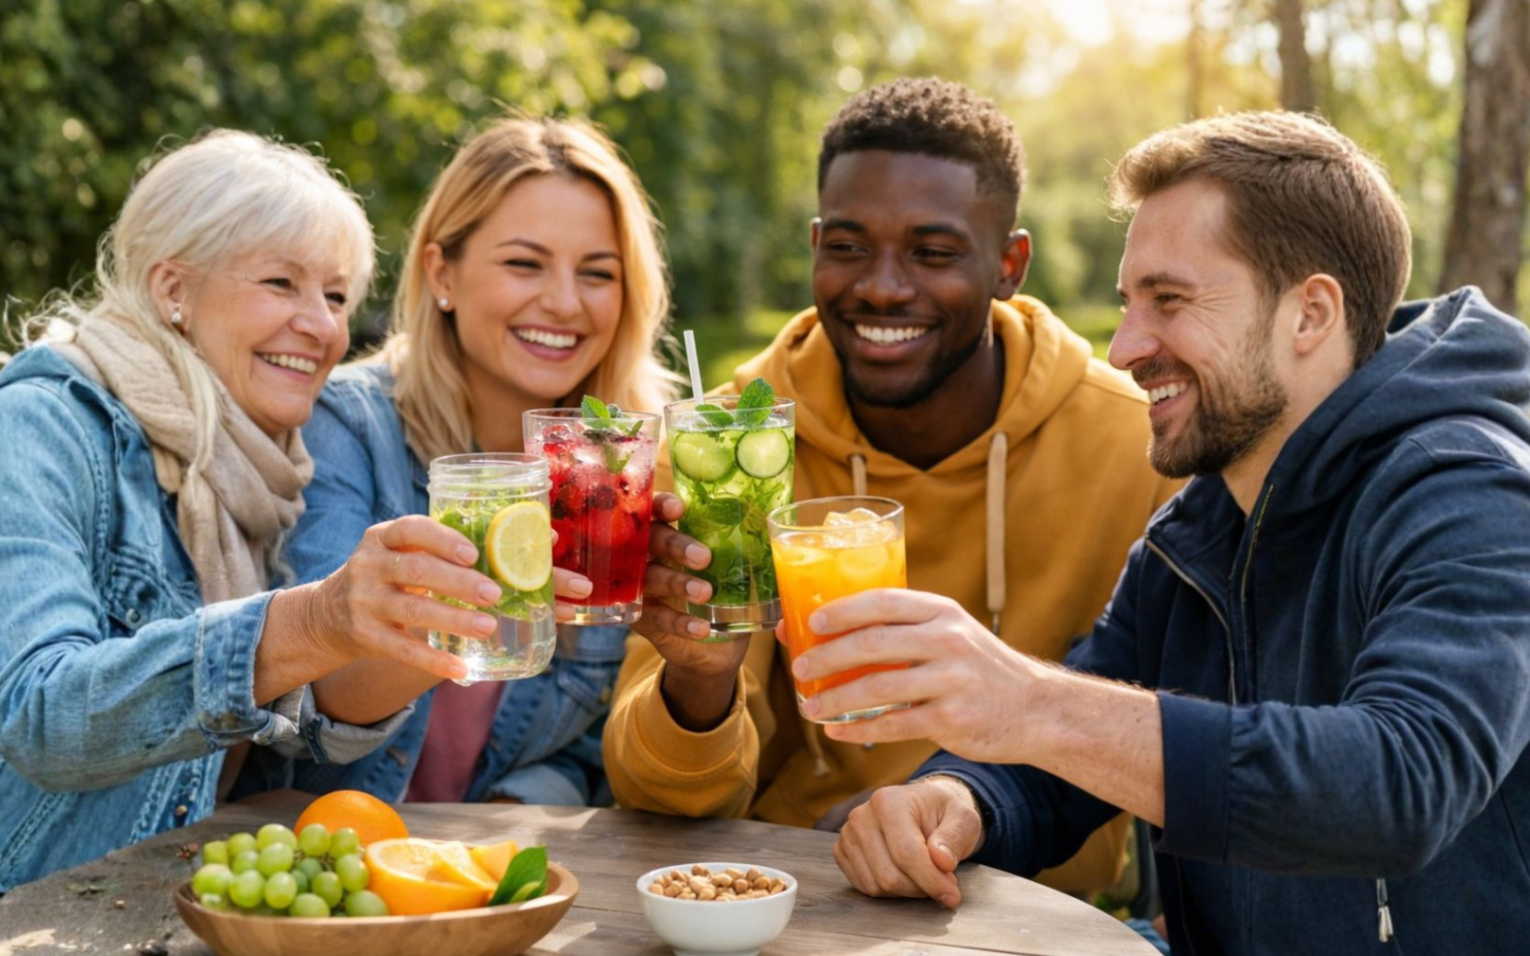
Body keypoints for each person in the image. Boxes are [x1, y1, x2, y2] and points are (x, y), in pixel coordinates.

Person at [816, 111, 1530, 954]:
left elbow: (1399, 782)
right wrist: (955, 801)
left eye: (1170, 301)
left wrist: (1026, 700)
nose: (1122, 348)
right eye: (1128, 304)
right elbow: (1068, 750)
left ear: (1309, 315)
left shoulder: (1470, 492)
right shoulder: (1194, 528)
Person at [603, 78, 1183, 895]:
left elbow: (1180, 734)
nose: (880, 285)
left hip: (1038, 907)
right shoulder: (726, 449)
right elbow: (655, 798)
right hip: (783, 896)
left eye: (932, 252)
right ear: (813, 246)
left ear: (1007, 265)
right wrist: (697, 682)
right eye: (846, 246)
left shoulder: (1134, 445)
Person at [0, 130, 512, 950]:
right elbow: (43, 711)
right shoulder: (40, 427)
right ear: (172, 288)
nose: (318, 326)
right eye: (282, 283)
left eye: (339, 298)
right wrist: (308, 623)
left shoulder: (262, 473)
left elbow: (297, 760)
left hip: (151, 928)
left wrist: (421, 627)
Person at [280, 117, 679, 806]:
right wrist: (453, 609)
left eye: (597, 274)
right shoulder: (346, 426)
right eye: (524, 264)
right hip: (338, 854)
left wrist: (506, 828)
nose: (563, 302)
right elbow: (311, 710)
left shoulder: (620, 467)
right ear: (442, 273)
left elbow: (585, 748)